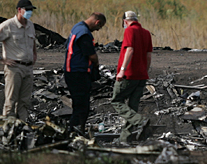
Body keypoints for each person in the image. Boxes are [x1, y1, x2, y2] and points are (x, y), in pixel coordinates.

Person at [0, 0, 38, 121]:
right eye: (27, 10)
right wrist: (0, 59)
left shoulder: (30, 25)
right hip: (14, 68)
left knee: (24, 102)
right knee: (11, 101)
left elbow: (33, 41)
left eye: (31, 10)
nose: (30, 12)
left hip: (28, 68)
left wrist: (34, 55)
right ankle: (7, 131)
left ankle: (23, 129)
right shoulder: (8, 25)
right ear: (19, 10)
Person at [111, 11, 153, 143]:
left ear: (125, 21)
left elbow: (129, 50)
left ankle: (140, 120)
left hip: (129, 74)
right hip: (141, 75)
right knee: (133, 106)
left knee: (116, 100)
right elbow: (149, 55)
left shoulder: (129, 31)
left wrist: (122, 70)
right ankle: (125, 139)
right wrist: (145, 71)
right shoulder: (146, 33)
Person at [64, 12, 106, 134]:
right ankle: (75, 132)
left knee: (78, 105)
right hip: (78, 73)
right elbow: (92, 55)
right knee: (82, 107)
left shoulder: (77, 27)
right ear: (97, 22)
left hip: (71, 71)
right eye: (99, 27)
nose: (97, 30)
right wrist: (96, 66)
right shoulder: (84, 33)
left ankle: (75, 130)